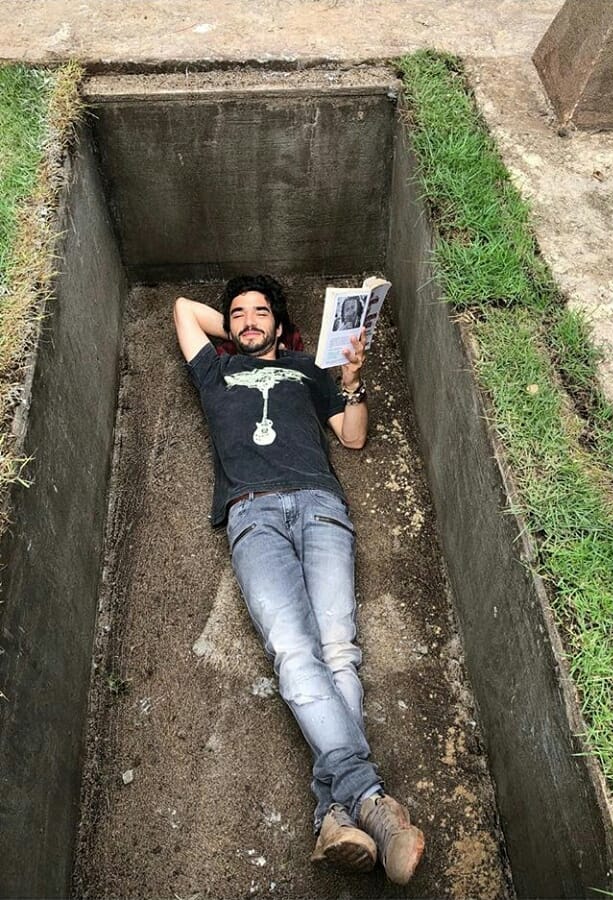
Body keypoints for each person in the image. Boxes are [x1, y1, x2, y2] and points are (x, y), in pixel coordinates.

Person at [173, 274, 425, 884]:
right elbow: (182, 308)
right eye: (238, 313)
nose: (248, 319)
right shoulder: (215, 372)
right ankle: (371, 801)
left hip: (320, 506)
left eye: (261, 311)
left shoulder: (308, 370)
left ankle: (334, 817)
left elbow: (354, 437)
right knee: (293, 650)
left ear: (282, 325)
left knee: (339, 650)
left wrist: (349, 377)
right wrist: (245, 330)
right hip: (252, 514)